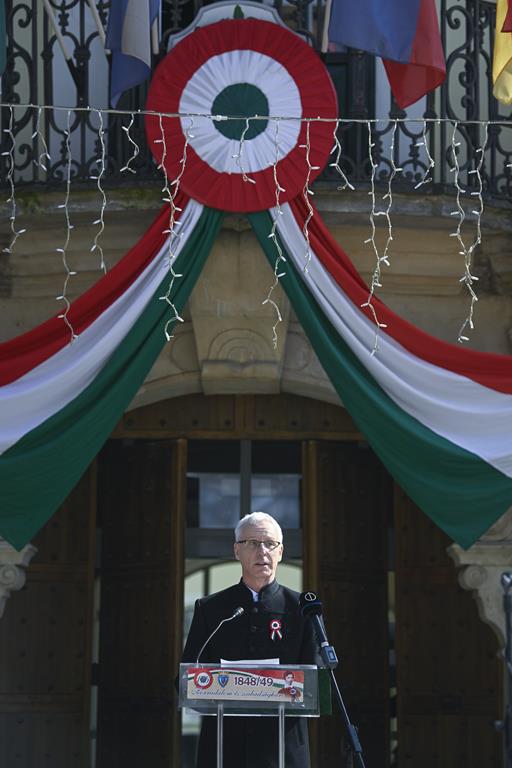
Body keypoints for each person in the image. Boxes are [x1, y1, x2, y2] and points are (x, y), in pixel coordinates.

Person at [180, 511, 321, 768]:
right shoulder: (212, 609)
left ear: (280, 552)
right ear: (237, 551)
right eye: (253, 543)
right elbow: (187, 677)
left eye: (270, 544)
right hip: (224, 747)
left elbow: (315, 683)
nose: (262, 551)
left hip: (282, 749)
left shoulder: (301, 609)